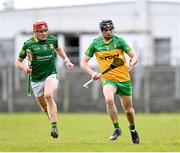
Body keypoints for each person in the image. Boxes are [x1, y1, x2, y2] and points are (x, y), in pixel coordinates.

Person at [80, 19, 140, 144]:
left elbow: (134, 56)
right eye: (105, 30)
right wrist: (93, 73)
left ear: (113, 29)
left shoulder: (119, 41)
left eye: (110, 29)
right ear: (101, 31)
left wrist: (131, 63)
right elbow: (83, 62)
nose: (108, 32)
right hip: (108, 80)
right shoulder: (95, 43)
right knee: (109, 99)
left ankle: (133, 129)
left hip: (124, 79)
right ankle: (117, 129)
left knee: (128, 110)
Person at [15, 20, 74, 139]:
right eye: (40, 31)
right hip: (36, 79)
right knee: (44, 107)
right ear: (35, 32)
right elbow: (18, 62)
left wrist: (66, 60)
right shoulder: (28, 44)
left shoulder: (52, 40)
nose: (43, 33)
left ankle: (54, 126)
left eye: (45, 30)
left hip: (50, 74)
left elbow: (59, 49)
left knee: (48, 96)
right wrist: (25, 69)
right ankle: (52, 119)